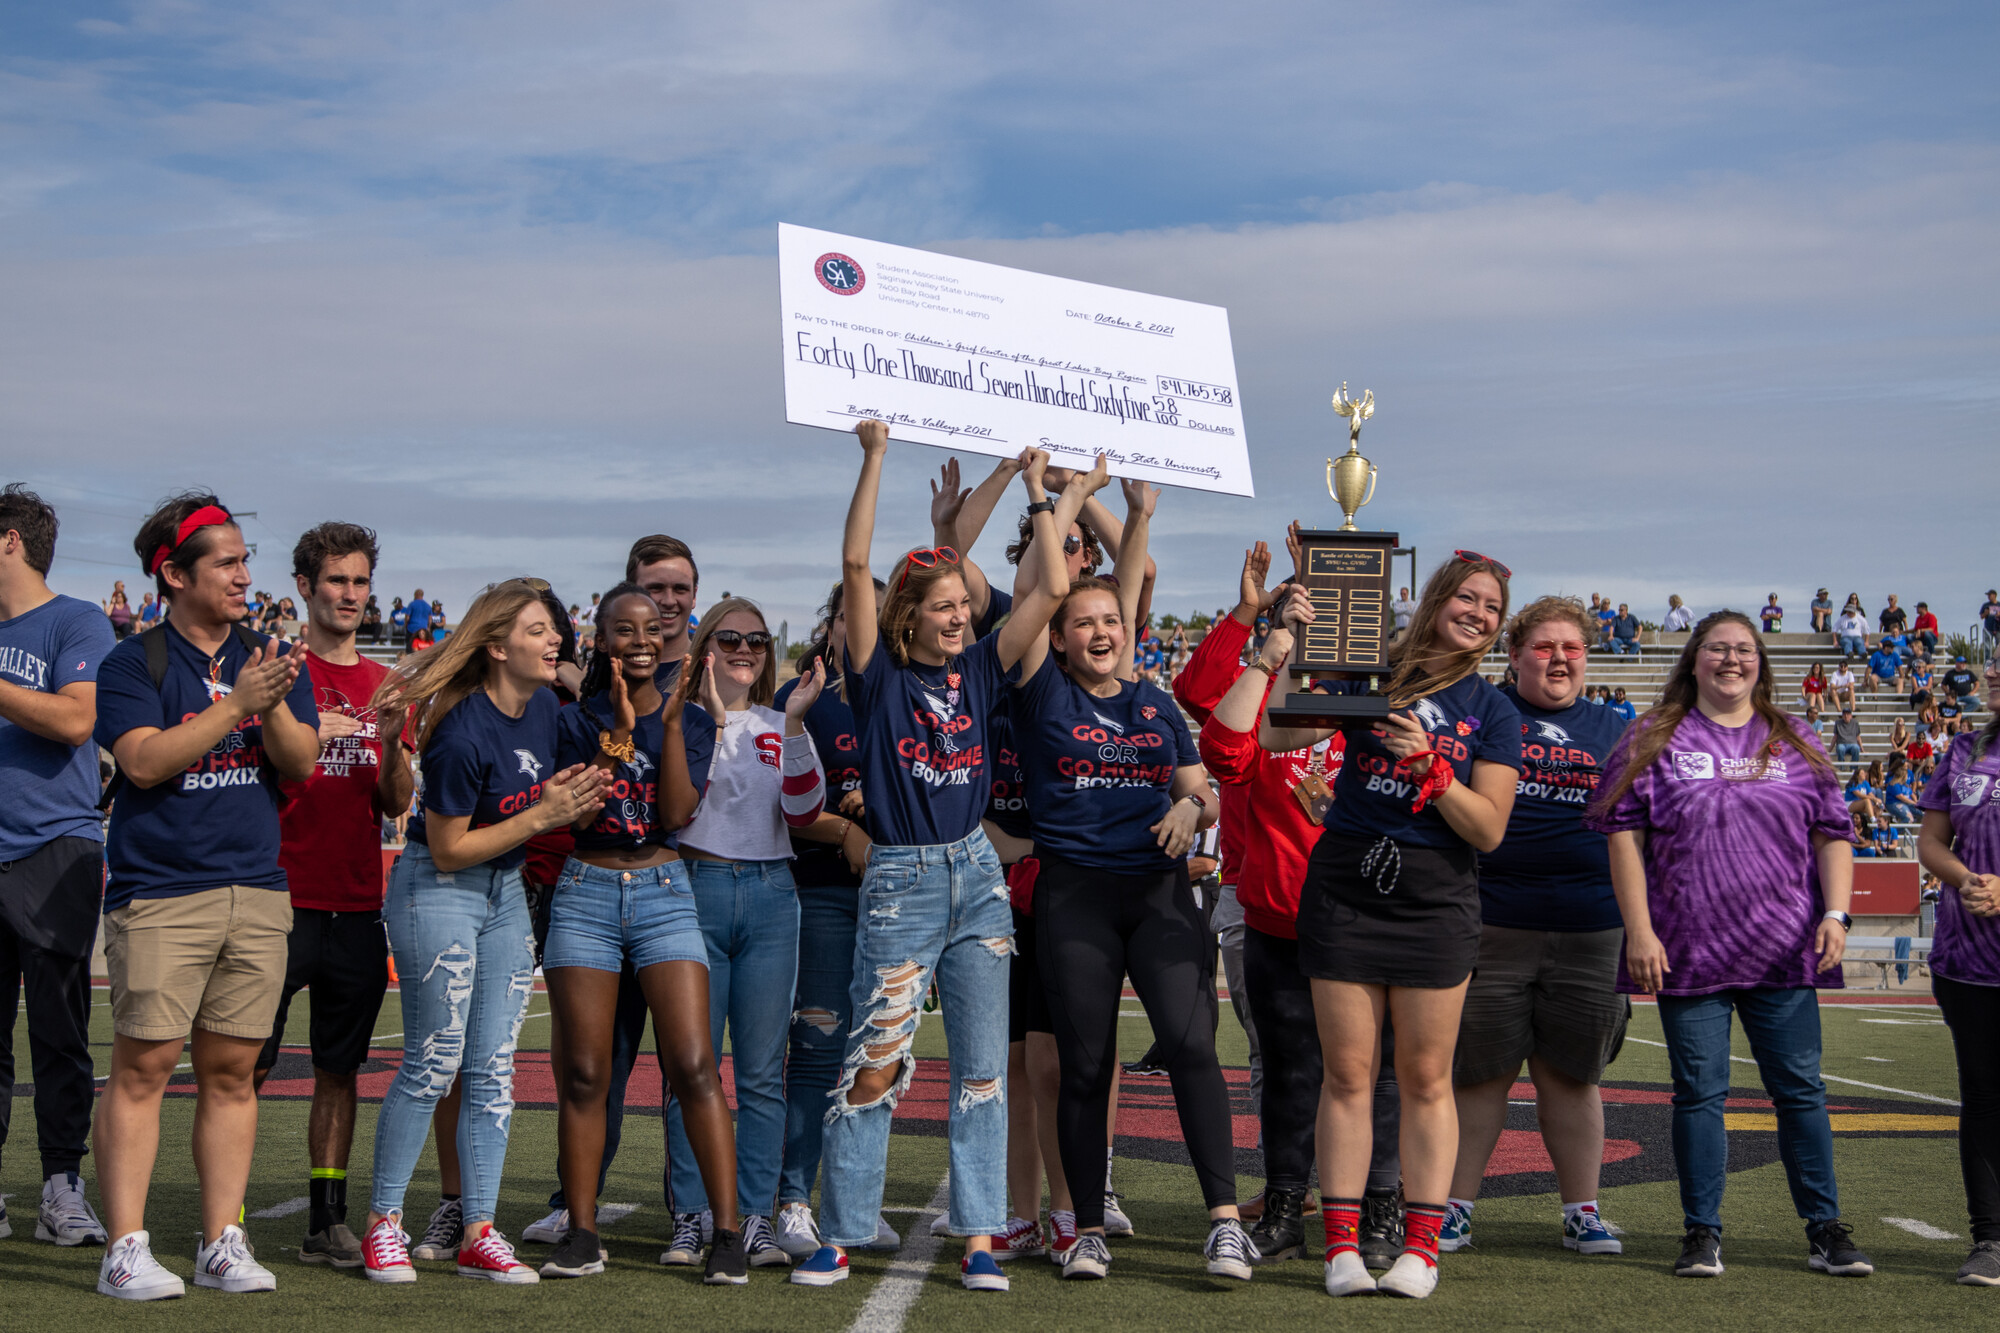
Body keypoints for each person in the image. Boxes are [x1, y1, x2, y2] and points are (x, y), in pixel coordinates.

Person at [792, 421, 1101, 1294]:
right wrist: (875, 457)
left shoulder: (982, 669)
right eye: (943, 606)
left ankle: (976, 1238)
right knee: (875, 1063)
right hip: (901, 879)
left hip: (978, 879)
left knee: (980, 1071)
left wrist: (1039, 486)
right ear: (909, 614)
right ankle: (843, 1234)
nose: (961, 617)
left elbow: (1053, 587)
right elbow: (856, 567)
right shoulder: (878, 673)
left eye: (964, 606)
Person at [1258, 551, 1524, 1300]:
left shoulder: (1494, 709)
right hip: (1346, 890)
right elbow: (1279, 734)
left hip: (1436, 902)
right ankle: (1342, 1249)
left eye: (1492, 607)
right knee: (1344, 1074)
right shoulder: (1368, 671)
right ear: (1439, 597)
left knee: (1425, 1078)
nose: (1478, 613)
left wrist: (1433, 768)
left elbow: (1488, 828)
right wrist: (1289, 645)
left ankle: (1420, 1249)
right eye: (1467, 597)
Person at [1009, 480, 1252, 1282]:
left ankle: (1223, 1221)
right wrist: (1052, 498)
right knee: (1085, 1065)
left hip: (1156, 893)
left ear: (1129, 630)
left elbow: (1202, 789)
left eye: (1112, 620)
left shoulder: (1153, 702)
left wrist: (1193, 809)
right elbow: (1048, 586)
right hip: (1075, 893)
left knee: (1190, 1046)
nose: (1100, 630)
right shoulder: (1042, 687)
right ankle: (1083, 1226)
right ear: (1062, 634)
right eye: (1084, 621)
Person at [1588, 610, 1872, 1281]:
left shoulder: (1794, 736)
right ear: (1694, 659)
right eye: (1718, 647)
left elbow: (1834, 832)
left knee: (1801, 1090)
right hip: (1689, 948)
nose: (1732, 659)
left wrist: (1836, 913)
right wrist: (1641, 928)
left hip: (1783, 949)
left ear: (1761, 663)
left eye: (1744, 649)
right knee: (1698, 1093)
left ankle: (1824, 1228)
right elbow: (1622, 836)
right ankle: (1701, 1231)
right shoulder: (1652, 735)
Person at [91, 493, 321, 1300]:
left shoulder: (267, 652)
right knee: (144, 1065)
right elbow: (145, 763)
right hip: (161, 894)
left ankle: (221, 1240)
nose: (243, 575)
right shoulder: (133, 662)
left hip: (256, 890)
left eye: (243, 559)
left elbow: (299, 761)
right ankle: (124, 1246)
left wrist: (270, 699)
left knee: (233, 1072)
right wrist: (235, 704)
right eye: (224, 562)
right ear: (173, 573)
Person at [358, 581, 610, 1285]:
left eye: (553, 630)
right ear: (498, 646)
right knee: (434, 1059)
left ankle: (479, 1229)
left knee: (494, 1069)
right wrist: (542, 815)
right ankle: (383, 1223)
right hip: (442, 885)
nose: (554, 638)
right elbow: (445, 848)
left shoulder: (546, 712)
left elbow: (598, 740)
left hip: (502, 889)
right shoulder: (463, 729)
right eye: (536, 631)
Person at [536, 584, 750, 1282]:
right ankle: (582, 1231)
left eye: (651, 629)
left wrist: (656, 727)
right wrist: (620, 729)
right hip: (587, 891)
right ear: (599, 640)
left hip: (663, 889)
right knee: (587, 1073)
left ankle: (725, 1234)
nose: (639, 640)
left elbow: (679, 812)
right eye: (622, 630)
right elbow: (582, 814)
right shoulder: (575, 718)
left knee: (692, 1063)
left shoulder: (690, 718)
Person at [1444, 597, 1631, 1256]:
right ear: (1514, 654)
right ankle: (1454, 1207)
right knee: (1480, 1074)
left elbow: (1641, 833)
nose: (1558, 658)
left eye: (1571, 647)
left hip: (1592, 924)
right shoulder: (1484, 714)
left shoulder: (1616, 728)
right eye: (1544, 646)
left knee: (1573, 1075)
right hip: (1493, 920)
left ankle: (1582, 1210)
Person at [250, 523, 414, 1268]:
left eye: (359, 581)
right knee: (244, 1065)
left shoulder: (386, 686)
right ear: (305, 590)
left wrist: (391, 743)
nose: (350, 594)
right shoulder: (278, 672)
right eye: (336, 581)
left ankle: (326, 1218)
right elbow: (276, 774)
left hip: (354, 900)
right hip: (276, 896)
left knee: (338, 1068)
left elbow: (394, 799)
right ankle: (227, 1214)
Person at [659, 598, 829, 1272]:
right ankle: (694, 1215)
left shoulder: (778, 721)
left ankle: (754, 1216)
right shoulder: (685, 724)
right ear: (706, 646)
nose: (745, 648)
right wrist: (706, 715)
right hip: (694, 887)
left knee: (761, 1073)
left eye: (756, 640)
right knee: (691, 1067)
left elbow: (805, 807)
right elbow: (680, 806)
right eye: (730, 637)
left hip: (769, 895)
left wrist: (792, 722)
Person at [0, 485, 115, 1251]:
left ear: (10, 542)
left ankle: (61, 1186)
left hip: (56, 848)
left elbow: (78, 717)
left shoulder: (77, 618)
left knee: (59, 1032)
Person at [772, 580, 900, 1261]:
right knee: (819, 1048)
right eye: (856, 613)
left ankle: (853, 1201)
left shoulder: (908, 696)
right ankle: (793, 1197)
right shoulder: (804, 701)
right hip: (822, 892)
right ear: (833, 623)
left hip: (898, 900)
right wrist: (841, 830)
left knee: (878, 1055)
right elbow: (778, 801)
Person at [1916, 654, 2000, 1284]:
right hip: (1968, 961)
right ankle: (1990, 1240)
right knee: (1984, 1098)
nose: (1991, 675)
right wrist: (1970, 880)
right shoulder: (1965, 748)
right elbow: (1930, 842)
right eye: (1993, 666)